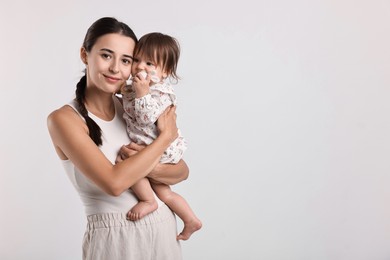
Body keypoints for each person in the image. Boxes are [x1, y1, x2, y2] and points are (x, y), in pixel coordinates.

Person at [47, 17, 188, 260]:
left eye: (126, 60)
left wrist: (149, 163)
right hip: (117, 243)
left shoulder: (134, 110)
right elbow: (114, 183)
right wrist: (165, 138)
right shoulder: (65, 119)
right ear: (84, 54)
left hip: (163, 232)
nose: (116, 69)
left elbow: (181, 171)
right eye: (106, 55)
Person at [121, 32, 202, 240]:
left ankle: (148, 200)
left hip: (160, 147)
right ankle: (191, 219)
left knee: (126, 161)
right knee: (165, 192)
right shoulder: (140, 87)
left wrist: (142, 93)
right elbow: (127, 102)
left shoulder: (158, 92)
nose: (140, 67)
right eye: (137, 60)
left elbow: (146, 118)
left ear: (164, 71)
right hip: (157, 146)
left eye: (150, 63)